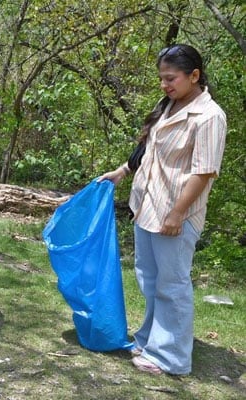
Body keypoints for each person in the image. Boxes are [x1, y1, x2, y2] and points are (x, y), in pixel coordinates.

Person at [99, 44, 226, 375]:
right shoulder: (169, 105)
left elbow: (204, 172)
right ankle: (152, 339)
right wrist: (122, 172)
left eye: (171, 79)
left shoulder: (210, 117)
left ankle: (171, 357)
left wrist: (177, 214)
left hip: (175, 213)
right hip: (147, 207)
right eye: (161, 78)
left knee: (172, 284)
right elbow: (148, 149)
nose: (164, 85)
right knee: (150, 279)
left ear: (194, 76)